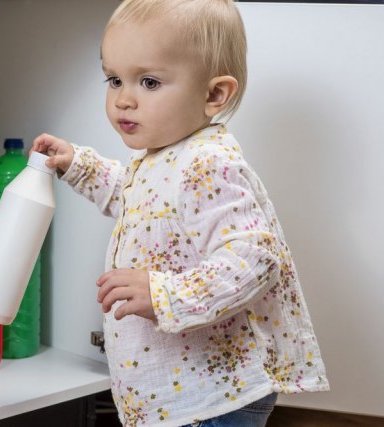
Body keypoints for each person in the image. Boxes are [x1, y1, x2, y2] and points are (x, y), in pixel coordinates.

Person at [32, 0, 329, 425]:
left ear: (213, 95)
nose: (123, 99)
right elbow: (138, 202)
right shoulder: (163, 158)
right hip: (185, 393)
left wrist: (164, 294)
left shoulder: (206, 163)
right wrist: (79, 164)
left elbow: (254, 259)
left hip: (212, 397)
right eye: (114, 79)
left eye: (149, 82)